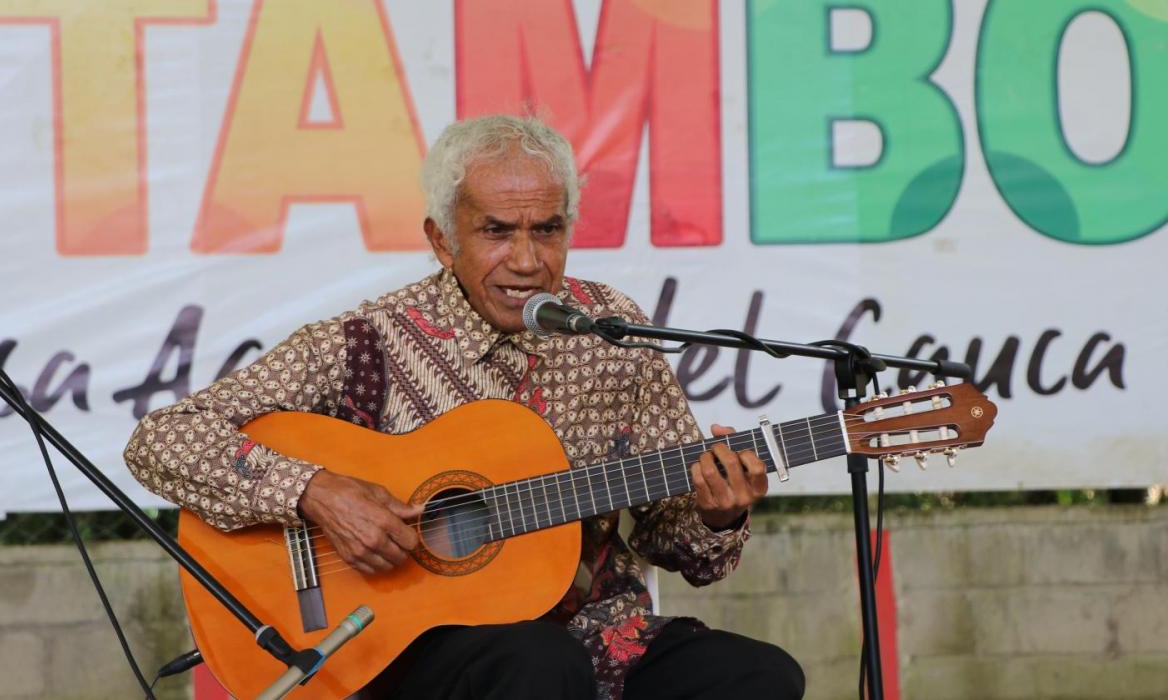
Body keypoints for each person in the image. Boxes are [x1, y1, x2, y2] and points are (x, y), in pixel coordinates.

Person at [126, 115, 805, 700]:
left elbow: (675, 541)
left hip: (599, 634)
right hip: (417, 653)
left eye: (547, 229)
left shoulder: (612, 329)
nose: (527, 260)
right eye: (496, 231)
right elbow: (164, 439)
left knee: (760, 677)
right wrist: (316, 491)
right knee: (539, 663)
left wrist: (719, 512)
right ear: (442, 239)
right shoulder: (369, 341)